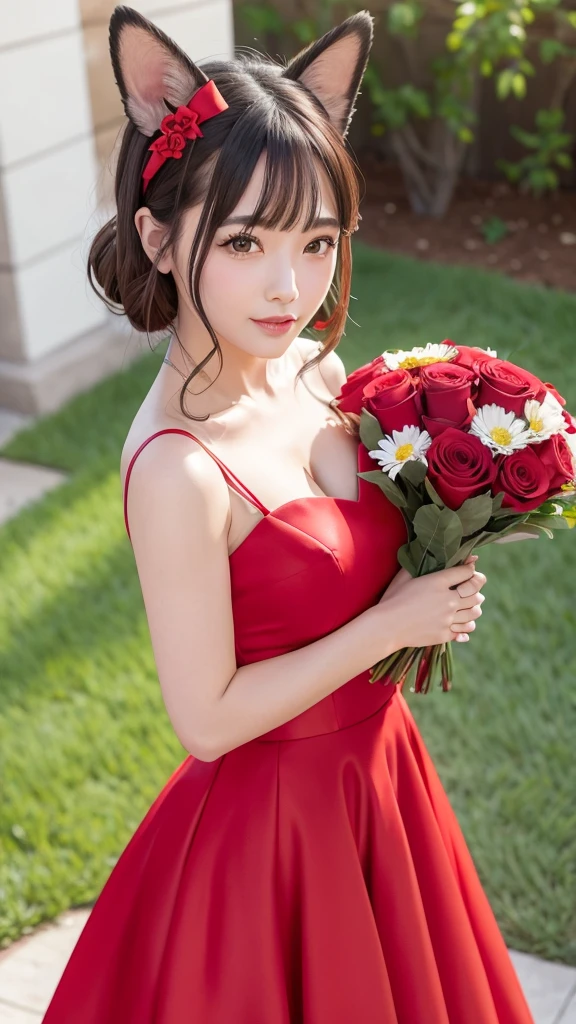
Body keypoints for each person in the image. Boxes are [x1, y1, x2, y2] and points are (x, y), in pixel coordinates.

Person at [42, 5, 535, 1022]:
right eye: (245, 242)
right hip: (271, 835)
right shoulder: (176, 468)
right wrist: (388, 626)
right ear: (159, 237)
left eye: (317, 241)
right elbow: (208, 719)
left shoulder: (315, 367)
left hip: (382, 783)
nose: (290, 285)